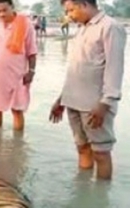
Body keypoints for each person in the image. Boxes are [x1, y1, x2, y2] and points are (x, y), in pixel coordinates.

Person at [50, 0, 126, 180]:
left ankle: (101, 197)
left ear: (83, 4)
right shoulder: (82, 28)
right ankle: (84, 194)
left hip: (95, 105)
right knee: (82, 148)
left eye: (71, 10)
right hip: (73, 101)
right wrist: (62, 99)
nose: (69, 15)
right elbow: (78, 68)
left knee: (101, 153)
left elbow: (115, 68)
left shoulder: (110, 27)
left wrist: (106, 103)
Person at [0, 0, 37, 131]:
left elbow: (32, 51)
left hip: (17, 75)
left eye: (4, 10)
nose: (1, 14)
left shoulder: (25, 24)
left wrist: (31, 71)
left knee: (17, 109)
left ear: (12, 7)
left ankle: (17, 147)